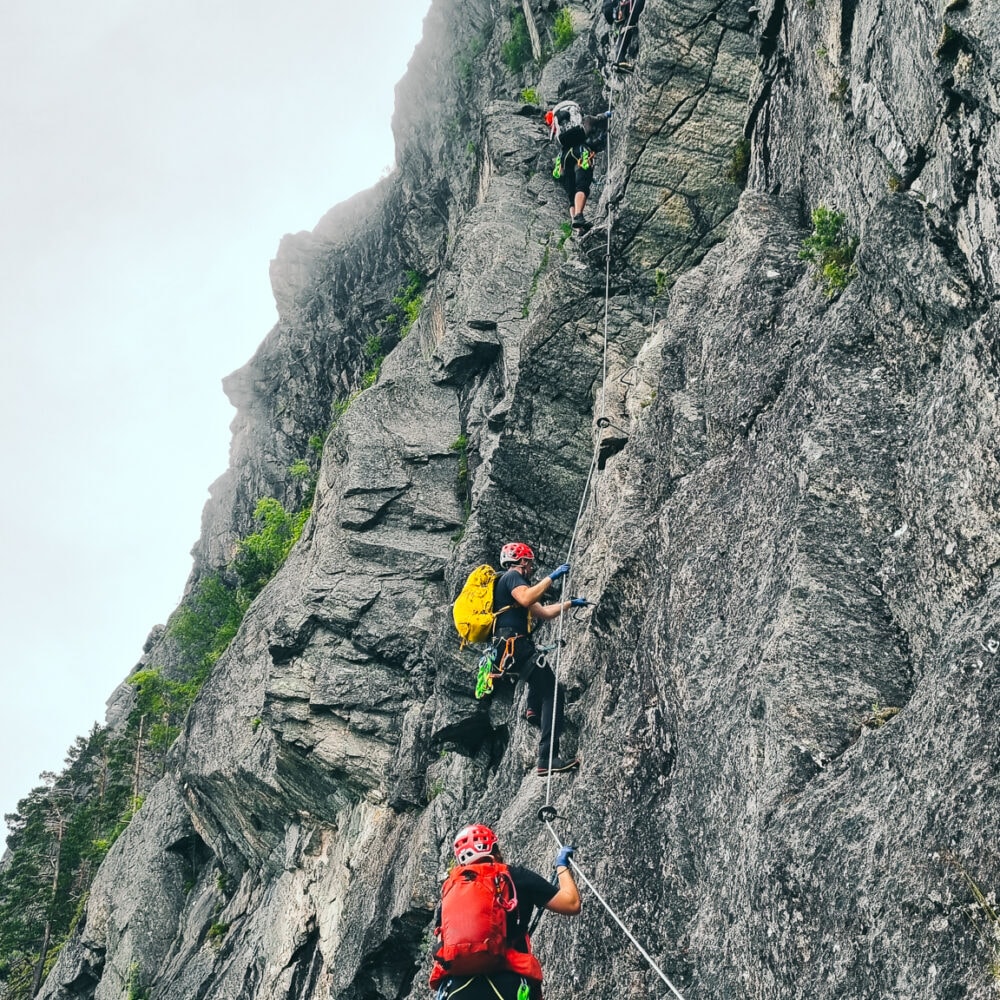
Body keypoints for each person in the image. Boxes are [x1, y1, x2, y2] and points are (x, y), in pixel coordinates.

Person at [429, 824, 581, 999]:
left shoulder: (451, 890)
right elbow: (571, 904)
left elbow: (442, 943)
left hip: (456, 989)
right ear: (495, 850)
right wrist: (562, 866)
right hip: (506, 985)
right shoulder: (513, 876)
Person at [492, 542, 585, 775]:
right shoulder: (512, 577)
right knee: (554, 693)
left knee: (539, 679)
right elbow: (526, 599)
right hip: (515, 646)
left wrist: (570, 604)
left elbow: (542, 612)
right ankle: (547, 758)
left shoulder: (511, 586)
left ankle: (532, 709)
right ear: (522, 562)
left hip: (510, 649)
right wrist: (551, 577)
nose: (531, 568)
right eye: (530, 563)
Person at [546, 102, 611, 232]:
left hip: (564, 159)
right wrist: (608, 115)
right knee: (582, 185)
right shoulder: (586, 120)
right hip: (580, 153)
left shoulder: (559, 132)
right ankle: (579, 216)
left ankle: (578, 228)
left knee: (571, 194)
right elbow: (600, 119)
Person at [602, 0, 646, 65]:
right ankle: (620, 58)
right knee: (629, 22)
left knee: (628, 24)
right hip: (623, 10)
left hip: (622, 11)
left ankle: (620, 58)